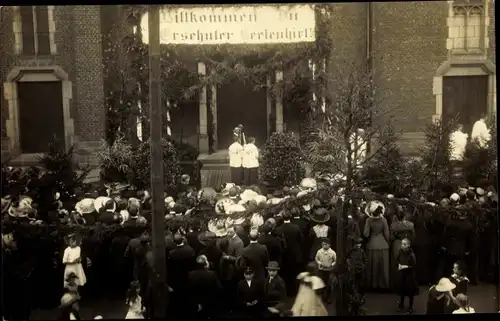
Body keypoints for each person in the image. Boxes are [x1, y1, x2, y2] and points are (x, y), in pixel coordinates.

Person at [363, 201, 390, 291]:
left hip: (372, 244)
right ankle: (383, 285)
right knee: (383, 267)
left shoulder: (368, 220)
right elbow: (386, 234)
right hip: (383, 244)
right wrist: (388, 242)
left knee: (372, 266)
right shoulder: (384, 220)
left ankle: (372, 285)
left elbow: (366, 234)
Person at [396, 238, 418, 314]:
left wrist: (406, 267)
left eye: (405, 244)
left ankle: (410, 307)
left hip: (409, 276)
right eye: (402, 244)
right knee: (402, 290)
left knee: (410, 292)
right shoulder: (400, 251)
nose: (403, 245)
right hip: (402, 275)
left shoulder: (412, 254)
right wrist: (399, 265)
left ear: (409, 245)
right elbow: (397, 260)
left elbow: (414, 266)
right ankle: (401, 305)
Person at [315, 238, 336, 303]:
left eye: (325, 244)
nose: (324, 246)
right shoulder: (319, 251)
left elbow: (335, 260)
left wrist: (332, 264)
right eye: (323, 244)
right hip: (322, 270)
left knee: (329, 284)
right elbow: (316, 258)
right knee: (322, 283)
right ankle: (322, 297)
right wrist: (319, 263)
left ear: (329, 245)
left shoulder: (332, 252)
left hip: (329, 270)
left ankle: (328, 297)